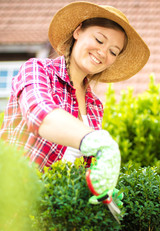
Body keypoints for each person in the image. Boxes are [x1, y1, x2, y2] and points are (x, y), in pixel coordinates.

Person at [0, 2, 149, 196]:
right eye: (99, 39)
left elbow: (81, 171)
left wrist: (102, 192)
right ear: (78, 31)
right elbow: (39, 114)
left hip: (56, 215)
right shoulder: (37, 70)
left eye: (113, 51)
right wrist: (97, 140)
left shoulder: (95, 106)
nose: (103, 53)